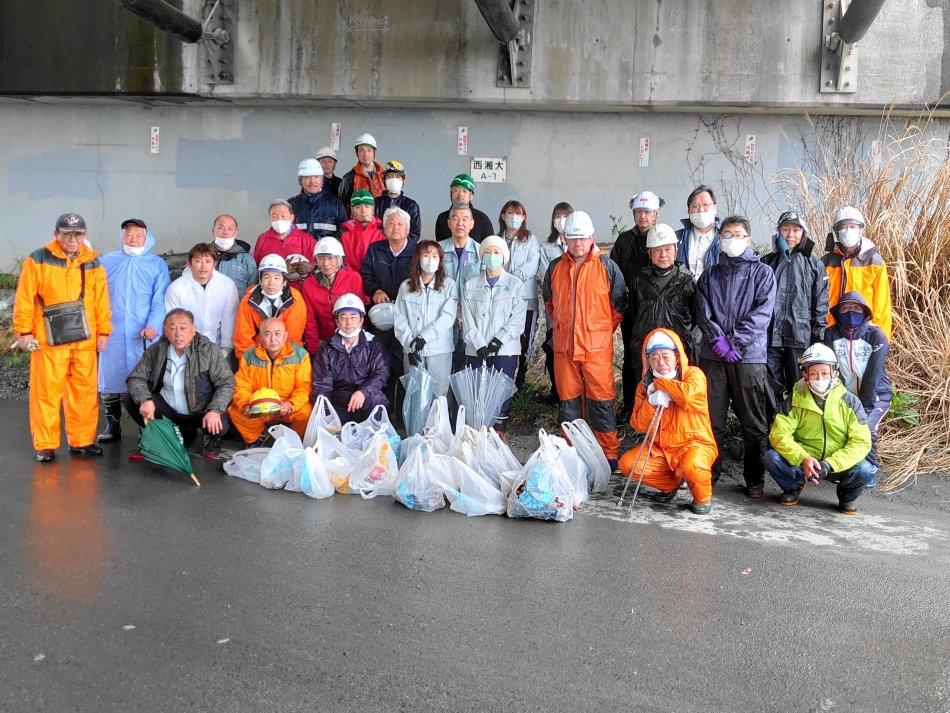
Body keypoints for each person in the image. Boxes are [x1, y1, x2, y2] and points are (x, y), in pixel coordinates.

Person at [14, 213, 112, 462]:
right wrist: (24, 332)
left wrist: (103, 331)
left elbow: (102, 301)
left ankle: (82, 441)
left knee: (84, 393)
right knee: (46, 393)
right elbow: (25, 298)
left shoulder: (93, 263)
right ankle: (45, 444)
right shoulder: (37, 259)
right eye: (67, 233)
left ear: (84, 235)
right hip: (48, 341)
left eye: (78, 234)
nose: (72, 239)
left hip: (85, 341)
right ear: (56, 233)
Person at [697, 216, 776, 497]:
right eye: (727, 234)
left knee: (753, 422)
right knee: (711, 419)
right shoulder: (709, 275)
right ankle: (708, 472)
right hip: (714, 357)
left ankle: (755, 479)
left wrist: (733, 342)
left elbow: (762, 315)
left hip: (749, 358)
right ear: (719, 240)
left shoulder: (762, 273)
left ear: (749, 239)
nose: (732, 239)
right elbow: (702, 311)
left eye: (738, 234)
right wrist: (717, 340)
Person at [542, 210, 626, 469]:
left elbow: (619, 306)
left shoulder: (607, 267)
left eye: (583, 238)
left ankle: (608, 452)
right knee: (568, 403)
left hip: (596, 351)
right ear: (564, 239)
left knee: (602, 401)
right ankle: (571, 449)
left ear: (592, 238)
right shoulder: (555, 268)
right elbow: (550, 302)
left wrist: (598, 332)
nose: (578, 243)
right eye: (572, 238)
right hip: (564, 350)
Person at [764, 343, 876, 515]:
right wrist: (803, 458)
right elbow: (779, 435)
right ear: (805, 375)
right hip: (806, 461)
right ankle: (793, 487)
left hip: (838, 463)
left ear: (834, 373)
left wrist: (829, 464)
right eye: (814, 373)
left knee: (865, 470)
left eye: (824, 373)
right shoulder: (794, 400)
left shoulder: (850, 402)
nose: (820, 378)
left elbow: (861, 442)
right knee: (771, 458)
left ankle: (846, 496)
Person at [619, 329, 717, 514]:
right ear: (647, 360)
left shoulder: (693, 375)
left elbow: (688, 398)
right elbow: (638, 424)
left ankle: (702, 499)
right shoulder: (644, 386)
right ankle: (669, 485)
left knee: (693, 467)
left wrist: (660, 384)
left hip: (695, 444)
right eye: (654, 357)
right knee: (628, 464)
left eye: (666, 356)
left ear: (677, 355)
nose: (661, 362)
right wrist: (650, 401)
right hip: (660, 448)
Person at [97, 218, 171, 444]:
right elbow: (96, 296)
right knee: (109, 378)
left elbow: (160, 299)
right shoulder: (106, 261)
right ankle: (112, 424)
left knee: (143, 380)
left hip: (143, 333)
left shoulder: (156, 264)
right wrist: (100, 328)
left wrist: (153, 326)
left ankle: (144, 425)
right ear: (122, 237)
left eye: (139, 235)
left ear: (147, 238)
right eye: (129, 234)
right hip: (112, 331)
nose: (134, 239)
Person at [125, 308, 235, 458]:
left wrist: (215, 410)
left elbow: (226, 383)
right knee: (132, 400)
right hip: (169, 409)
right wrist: (145, 399)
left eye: (183, 328)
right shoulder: (157, 349)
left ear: (193, 329)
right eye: (172, 328)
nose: (178, 334)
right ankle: (157, 437)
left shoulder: (208, 350)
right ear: (164, 330)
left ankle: (210, 438)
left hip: (200, 411)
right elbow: (136, 377)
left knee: (219, 425)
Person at [462, 237, 527, 435]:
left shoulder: (515, 284)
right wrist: (480, 343)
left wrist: (499, 339)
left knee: (501, 392)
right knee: (476, 393)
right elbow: (467, 318)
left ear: (504, 256)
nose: (492, 256)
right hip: (476, 349)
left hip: (505, 349)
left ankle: (498, 435)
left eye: (497, 252)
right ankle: (476, 434)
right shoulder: (471, 284)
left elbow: (517, 319)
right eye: (488, 252)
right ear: (482, 256)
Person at [762, 211, 829, 403]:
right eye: (785, 229)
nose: (791, 235)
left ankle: (800, 428)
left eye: (796, 229)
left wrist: (818, 338)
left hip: (800, 338)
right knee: (770, 389)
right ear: (779, 232)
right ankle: (774, 427)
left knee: (800, 388)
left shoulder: (814, 264)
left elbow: (821, 305)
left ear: (803, 233)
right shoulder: (768, 262)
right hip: (770, 339)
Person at [823, 291, 892, 468]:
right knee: (840, 429)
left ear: (865, 311)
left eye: (855, 308)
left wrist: (864, 407)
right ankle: (846, 467)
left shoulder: (876, 336)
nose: (850, 312)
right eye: (844, 309)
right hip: (845, 394)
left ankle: (870, 468)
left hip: (877, 395)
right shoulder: (831, 335)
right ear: (838, 314)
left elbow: (874, 374)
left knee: (865, 427)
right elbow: (831, 369)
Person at [611, 190, 663, 421]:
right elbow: (613, 271)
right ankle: (630, 405)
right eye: (639, 211)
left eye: (647, 212)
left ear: (656, 214)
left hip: (655, 308)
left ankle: (657, 405)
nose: (643, 216)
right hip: (631, 309)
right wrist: (623, 291)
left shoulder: (661, 236)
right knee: (632, 356)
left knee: (658, 353)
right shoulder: (624, 240)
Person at [627, 223, 696, 388]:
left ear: (676, 251)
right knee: (646, 394)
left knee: (677, 394)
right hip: (646, 349)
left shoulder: (686, 281)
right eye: (657, 250)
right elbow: (632, 312)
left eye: (668, 249)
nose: (663, 254)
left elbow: (694, 316)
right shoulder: (638, 280)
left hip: (677, 349)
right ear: (649, 253)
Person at [361, 206, 417, 404]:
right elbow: (366, 275)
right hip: (380, 319)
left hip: (408, 319)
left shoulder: (417, 251)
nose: (395, 227)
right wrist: (375, 289)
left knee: (404, 366)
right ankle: (382, 411)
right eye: (391, 223)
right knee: (381, 364)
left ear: (408, 229)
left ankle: (402, 415)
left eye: (400, 224)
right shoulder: (375, 250)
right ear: (384, 227)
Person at [228, 318, 313, 447]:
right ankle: (256, 439)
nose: (273, 339)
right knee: (235, 412)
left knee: (306, 412)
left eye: (277, 334)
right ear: (260, 337)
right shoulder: (249, 356)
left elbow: (304, 386)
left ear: (285, 336)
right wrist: (245, 404)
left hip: (287, 406)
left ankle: (294, 442)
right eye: (267, 334)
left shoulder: (300, 355)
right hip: (260, 406)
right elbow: (241, 386)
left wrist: (291, 404)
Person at [393, 240, 458, 400]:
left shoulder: (448, 285)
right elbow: (400, 319)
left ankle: (437, 426)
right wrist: (411, 346)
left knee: (439, 395)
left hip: (439, 350)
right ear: (418, 259)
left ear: (440, 260)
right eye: (426, 255)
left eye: (435, 256)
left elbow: (448, 317)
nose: (430, 259)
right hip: (413, 350)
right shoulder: (406, 286)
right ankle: (416, 426)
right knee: (415, 396)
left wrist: (424, 337)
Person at [311, 294, 390, 424]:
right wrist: (325, 411)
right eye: (343, 317)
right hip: (339, 402)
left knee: (377, 400)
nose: (349, 323)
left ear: (361, 320)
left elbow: (381, 374)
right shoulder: (326, 348)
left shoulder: (374, 344)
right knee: (325, 420)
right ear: (337, 321)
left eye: (353, 317)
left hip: (365, 398)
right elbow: (321, 385)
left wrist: (363, 392)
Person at [821, 206, 893, 339]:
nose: (848, 230)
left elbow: (882, 306)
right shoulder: (825, 263)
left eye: (853, 226)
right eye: (843, 227)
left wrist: (881, 339)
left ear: (861, 230)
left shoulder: (874, 262)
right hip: (831, 333)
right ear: (836, 231)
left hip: (864, 333)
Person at [164, 243, 239, 358]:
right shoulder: (176, 288)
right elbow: (173, 323)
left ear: (214, 264)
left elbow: (229, 319)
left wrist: (226, 349)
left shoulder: (226, 285)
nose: (203, 266)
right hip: (185, 348)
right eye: (198, 261)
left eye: (208, 261)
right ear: (189, 263)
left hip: (217, 345)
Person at [497, 200, 541, 390]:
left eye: (518, 213)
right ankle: (504, 378)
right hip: (502, 299)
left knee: (525, 340)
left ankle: (520, 380)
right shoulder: (496, 239)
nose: (513, 217)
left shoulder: (530, 239)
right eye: (510, 212)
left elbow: (533, 263)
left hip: (526, 298)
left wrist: (513, 279)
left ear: (523, 217)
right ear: (503, 215)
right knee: (504, 337)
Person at [232, 254, 307, 360]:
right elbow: (243, 339)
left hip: (286, 357)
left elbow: (293, 338)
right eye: (266, 277)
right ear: (260, 279)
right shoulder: (248, 300)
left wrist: (283, 363)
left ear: (284, 280)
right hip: (257, 356)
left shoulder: (295, 299)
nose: (271, 282)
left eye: (277, 277)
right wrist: (251, 363)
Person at [301, 236, 366, 352]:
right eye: (321, 258)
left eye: (330, 258)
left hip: (351, 340)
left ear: (340, 260)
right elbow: (310, 320)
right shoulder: (309, 284)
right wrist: (313, 349)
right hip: (323, 341)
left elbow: (359, 315)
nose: (325, 263)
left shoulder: (353, 278)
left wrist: (358, 344)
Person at [439, 202, 484, 370]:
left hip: (471, 320)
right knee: (444, 368)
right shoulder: (438, 250)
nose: (460, 223)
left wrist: (464, 312)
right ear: (448, 223)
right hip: (443, 318)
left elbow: (483, 289)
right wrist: (452, 311)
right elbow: (434, 285)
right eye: (455, 218)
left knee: (467, 369)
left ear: (472, 224)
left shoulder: (482, 252)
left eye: (465, 219)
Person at [538, 202, 571, 405]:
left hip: (575, 304)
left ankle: (571, 391)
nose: (560, 220)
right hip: (554, 303)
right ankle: (556, 389)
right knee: (553, 344)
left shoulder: (577, 243)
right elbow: (545, 275)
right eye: (557, 216)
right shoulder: (546, 247)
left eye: (565, 215)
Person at [252, 199, 318, 282]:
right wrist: (282, 269)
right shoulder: (263, 239)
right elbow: (255, 268)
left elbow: (321, 264)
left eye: (283, 216)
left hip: (301, 290)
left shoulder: (307, 240)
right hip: (273, 290)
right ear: (270, 219)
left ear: (292, 218)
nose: (279, 220)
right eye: (274, 216)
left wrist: (311, 266)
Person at [288, 158, 347, 240]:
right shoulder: (290, 205)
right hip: (298, 252)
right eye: (307, 177)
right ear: (300, 181)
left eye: (316, 177)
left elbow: (344, 233)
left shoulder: (335, 204)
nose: (312, 181)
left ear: (322, 180)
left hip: (326, 252)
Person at [675, 185, 722, 279]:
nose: (700, 210)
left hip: (714, 293)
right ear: (688, 211)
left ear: (715, 208)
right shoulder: (676, 238)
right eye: (695, 206)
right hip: (684, 292)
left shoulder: (727, 238)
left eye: (705, 205)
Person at [433, 174, 495, 243]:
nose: (460, 194)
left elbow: (489, 246)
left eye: (464, 191)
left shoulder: (482, 219)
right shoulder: (442, 218)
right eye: (456, 190)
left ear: (471, 196)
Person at [209, 214, 257, 297]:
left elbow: (253, 290)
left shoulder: (246, 259)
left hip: (238, 308)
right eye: (221, 227)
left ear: (236, 233)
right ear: (213, 231)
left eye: (230, 229)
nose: (225, 232)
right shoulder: (204, 255)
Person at [374, 161, 421, 243]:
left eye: (397, 177)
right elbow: (372, 229)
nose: (393, 180)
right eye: (389, 176)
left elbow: (415, 233)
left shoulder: (411, 205)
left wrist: (402, 246)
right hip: (380, 249)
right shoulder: (376, 203)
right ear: (384, 180)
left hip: (404, 251)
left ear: (403, 180)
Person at [340, 190, 386, 272]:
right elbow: (340, 261)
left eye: (367, 206)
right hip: (351, 279)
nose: (363, 210)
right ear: (352, 212)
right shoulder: (343, 233)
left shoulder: (383, 232)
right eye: (358, 207)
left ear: (373, 210)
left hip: (376, 279)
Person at [339, 133, 385, 208]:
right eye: (361, 150)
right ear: (357, 153)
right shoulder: (349, 178)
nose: (365, 154)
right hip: (359, 219)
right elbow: (344, 206)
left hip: (381, 219)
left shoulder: (384, 175)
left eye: (369, 150)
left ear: (374, 152)